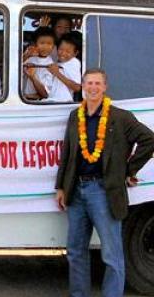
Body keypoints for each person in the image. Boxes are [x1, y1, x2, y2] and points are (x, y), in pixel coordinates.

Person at [55, 68, 154, 297]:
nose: (93, 88)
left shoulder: (120, 117)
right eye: (89, 83)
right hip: (76, 192)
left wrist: (127, 171)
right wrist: (61, 187)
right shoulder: (75, 116)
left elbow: (148, 140)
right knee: (75, 251)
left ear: (105, 87)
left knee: (111, 254)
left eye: (98, 83)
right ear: (83, 86)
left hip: (104, 191)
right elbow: (68, 154)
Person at [46, 34, 82, 102]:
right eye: (60, 49)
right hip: (52, 100)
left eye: (68, 51)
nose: (63, 53)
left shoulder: (74, 62)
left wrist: (57, 73)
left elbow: (77, 87)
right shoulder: (57, 63)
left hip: (63, 102)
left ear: (75, 53)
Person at [23, 27, 56, 100]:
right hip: (25, 99)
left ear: (53, 46)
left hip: (38, 102)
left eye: (49, 43)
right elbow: (14, 69)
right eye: (42, 43)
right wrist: (26, 56)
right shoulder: (30, 58)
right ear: (35, 44)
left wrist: (32, 77)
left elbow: (45, 94)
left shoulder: (51, 66)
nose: (45, 47)